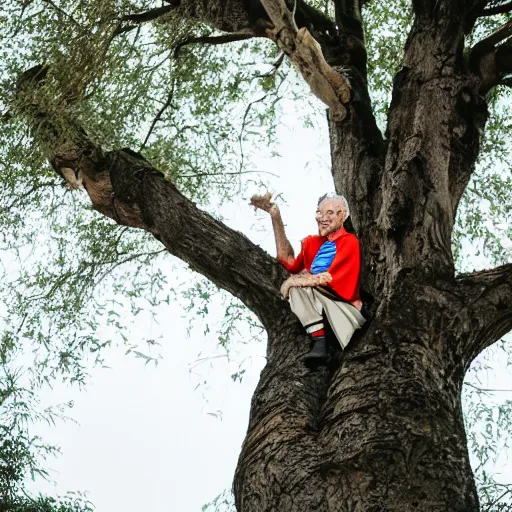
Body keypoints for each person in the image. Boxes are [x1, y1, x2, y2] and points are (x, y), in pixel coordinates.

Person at [250, 191, 366, 367]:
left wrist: (295, 281)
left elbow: (332, 278)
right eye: (320, 213)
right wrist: (275, 216)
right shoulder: (313, 244)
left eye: (330, 213)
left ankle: (324, 341)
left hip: (344, 308)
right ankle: (320, 340)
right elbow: (288, 261)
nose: (323, 218)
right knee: (296, 288)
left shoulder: (349, 242)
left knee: (296, 287)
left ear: (342, 216)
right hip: (320, 303)